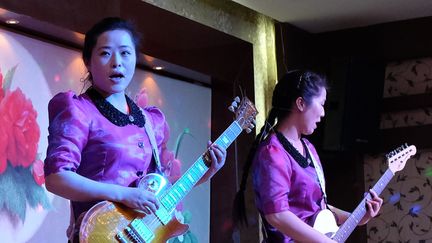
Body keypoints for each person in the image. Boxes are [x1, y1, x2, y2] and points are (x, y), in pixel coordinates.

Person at [44, 17, 226, 242]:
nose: (116, 62)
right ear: (88, 61)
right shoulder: (79, 110)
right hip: (99, 236)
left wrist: (205, 174)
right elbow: (56, 178)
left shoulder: (151, 120)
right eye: (105, 53)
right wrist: (123, 194)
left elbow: (160, 191)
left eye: (125, 53)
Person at [233, 70, 383, 242]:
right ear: (301, 103)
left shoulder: (308, 148)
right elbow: (277, 214)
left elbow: (317, 208)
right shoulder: (272, 152)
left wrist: (356, 218)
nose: (323, 113)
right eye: (321, 104)